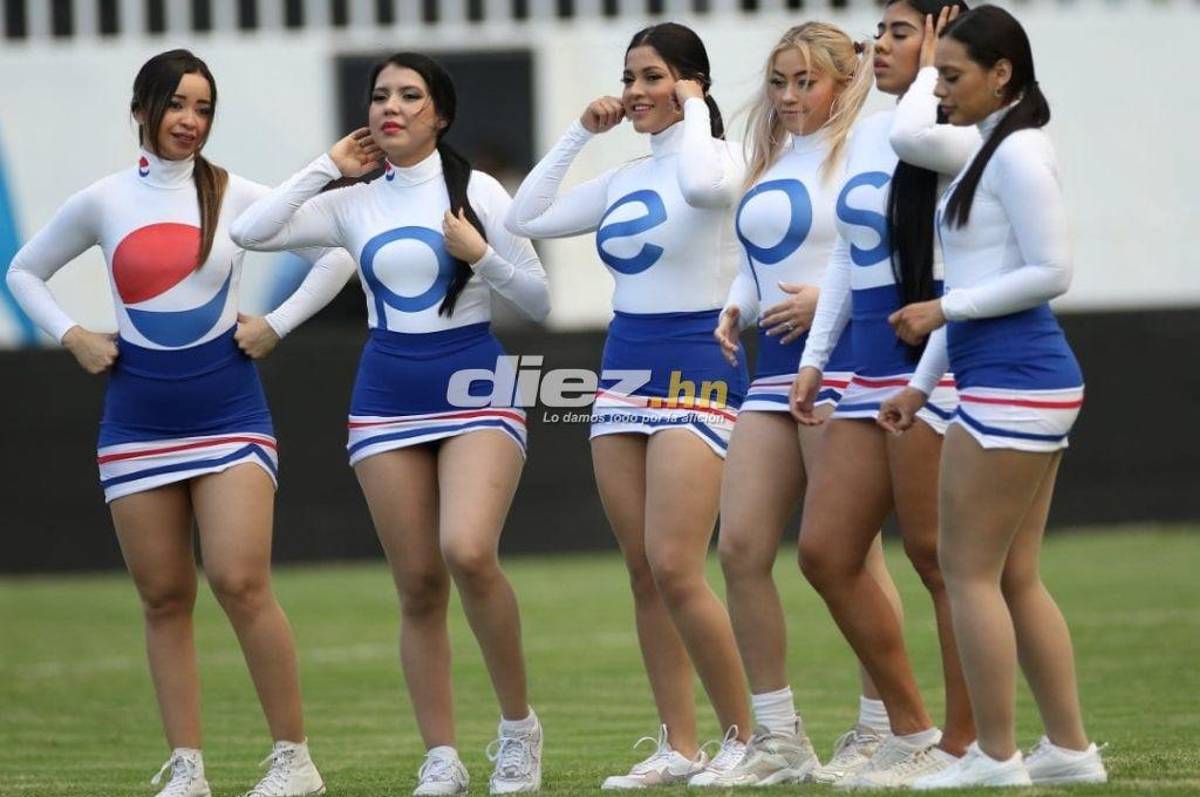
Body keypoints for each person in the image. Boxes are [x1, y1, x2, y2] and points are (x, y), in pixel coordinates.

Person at [3, 49, 340, 797]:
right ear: (142, 108)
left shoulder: (238, 193)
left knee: (241, 580)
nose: (190, 121)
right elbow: (23, 270)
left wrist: (277, 323)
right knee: (163, 596)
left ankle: (294, 758)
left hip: (229, 414)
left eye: (203, 108)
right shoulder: (102, 200)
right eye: (177, 104)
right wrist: (75, 335)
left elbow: (335, 252)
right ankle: (187, 766)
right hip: (136, 423)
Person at [230, 52, 550, 796]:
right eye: (380, 96)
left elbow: (534, 297)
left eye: (410, 96)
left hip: (476, 383)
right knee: (416, 584)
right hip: (386, 396)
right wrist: (324, 166)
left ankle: (517, 731)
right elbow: (251, 232)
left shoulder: (482, 194)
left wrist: (482, 258)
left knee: (468, 550)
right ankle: (441, 755)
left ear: (440, 114)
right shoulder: (351, 200)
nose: (391, 107)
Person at [505, 22, 754, 789]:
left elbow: (708, 187)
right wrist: (580, 133)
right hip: (622, 370)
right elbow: (526, 215)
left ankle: (750, 738)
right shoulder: (623, 176)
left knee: (680, 565)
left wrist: (699, 108)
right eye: (630, 77)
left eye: (654, 77)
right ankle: (680, 744)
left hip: (700, 368)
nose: (636, 92)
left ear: (689, 83)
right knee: (645, 570)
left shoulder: (726, 157)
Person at [878, 6, 1107, 788]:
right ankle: (1069, 751)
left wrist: (944, 311)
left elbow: (1052, 272)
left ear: (1001, 73)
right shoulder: (988, 148)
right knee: (1011, 574)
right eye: (935, 75)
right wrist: (919, 385)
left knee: (968, 570)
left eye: (952, 74)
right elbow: (975, 282)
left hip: (1018, 381)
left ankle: (995, 754)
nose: (938, 89)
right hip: (1003, 378)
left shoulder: (1019, 153)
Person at [787, 2, 981, 787]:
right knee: (826, 552)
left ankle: (969, 743)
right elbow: (846, 250)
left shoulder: (953, 125)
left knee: (939, 559)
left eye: (902, 32)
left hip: (931, 352)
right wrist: (814, 355)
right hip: (862, 362)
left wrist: (934, 71)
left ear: (943, 39)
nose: (881, 46)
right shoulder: (873, 126)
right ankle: (913, 728)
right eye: (882, 32)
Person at [705, 21, 895, 787]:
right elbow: (763, 256)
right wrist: (733, 302)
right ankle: (779, 736)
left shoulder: (871, 143)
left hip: (844, 365)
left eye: (806, 81)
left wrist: (829, 298)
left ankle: (887, 728)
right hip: (771, 371)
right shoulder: (773, 157)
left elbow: (872, 244)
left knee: (849, 554)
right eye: (779, 81)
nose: (788, 96)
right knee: (741, 546)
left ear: (845, 82)